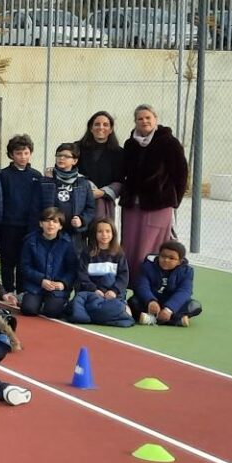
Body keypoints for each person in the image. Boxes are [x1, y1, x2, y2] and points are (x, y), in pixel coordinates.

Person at [118, 105, 189, 279]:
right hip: (132, 205)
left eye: (148, 117)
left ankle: (151, 285)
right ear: (135, 122)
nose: (144, 121)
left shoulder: (169, 142)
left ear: (155, 119)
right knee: (130, 246)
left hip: (158, 205)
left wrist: (173, 200)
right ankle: (129, 282)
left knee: (150, 247)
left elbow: (181, 174)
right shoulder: (130, 144)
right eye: (140, 118)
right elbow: (123, 172)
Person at [0, 134, 42, 304]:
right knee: (8, 260)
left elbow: (38, 203)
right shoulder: (3, 175)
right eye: (18, 153)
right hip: (8, 226)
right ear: (11, 155)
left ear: (30, 153)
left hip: (29, 227)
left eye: (26, 153)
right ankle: (8, 290)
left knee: (25, 260)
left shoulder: (36, 176)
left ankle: (23, 291)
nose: (22, 156)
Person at [71, 218, 134, 327]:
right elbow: (82, 275)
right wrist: (94, 290)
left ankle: (101, 314)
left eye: (108, 231)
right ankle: (113, 315)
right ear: (94, 234)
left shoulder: (119, 253)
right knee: (78, 309)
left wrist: (114, 291)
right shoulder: (87, 253)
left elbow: (123, 276)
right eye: (100, 231)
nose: (104, 235)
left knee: (116, 304)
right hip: (92, 293)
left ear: (113, 233)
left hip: (112, 294)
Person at [18, 208, 80, 319]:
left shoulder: (67, 243)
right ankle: (30, 299)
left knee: (52, 312)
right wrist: (41, 280)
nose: (51, 224)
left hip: (56, 288)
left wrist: (63, 284)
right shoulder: (30, 241)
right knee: (28, 309)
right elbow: (25, 267)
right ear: (41, 224)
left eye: (55, 221)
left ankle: (52, 303)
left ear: (60, 226)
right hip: (35, 286)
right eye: (47, 221)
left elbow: (72, 269)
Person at [132, 239, 201, 326]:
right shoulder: (147, 266)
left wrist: (169, 309)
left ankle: (151, 319)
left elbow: (185, 291)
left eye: (172, 258)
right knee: (133, 302)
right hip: (152, 303)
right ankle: (176, 320)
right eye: (163, 256)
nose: (166, 260)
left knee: (195, 306)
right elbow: (142, 286)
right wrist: (150, 300)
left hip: (171, 304)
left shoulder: (187, 271)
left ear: (180, 261)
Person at [77, 110, 125, 222]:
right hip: (79, 200)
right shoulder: (77, 148)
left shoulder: (119, 153)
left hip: (104, 203)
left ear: (111, 129)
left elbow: (120, 181)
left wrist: (102, 192)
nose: (101, 127)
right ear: (91, 128)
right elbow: (69, 169)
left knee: (101, 236)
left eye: (105, 124)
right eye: (97, 124)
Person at [42, 143, 97, 238]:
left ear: (75, 161)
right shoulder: (46, 181)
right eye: (59, 155)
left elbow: (90, 208)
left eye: (66, 156)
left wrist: (82, 220)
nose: (61, 158)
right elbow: (35, 208)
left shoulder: (83, 183)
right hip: (50, 233)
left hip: (74, 234)